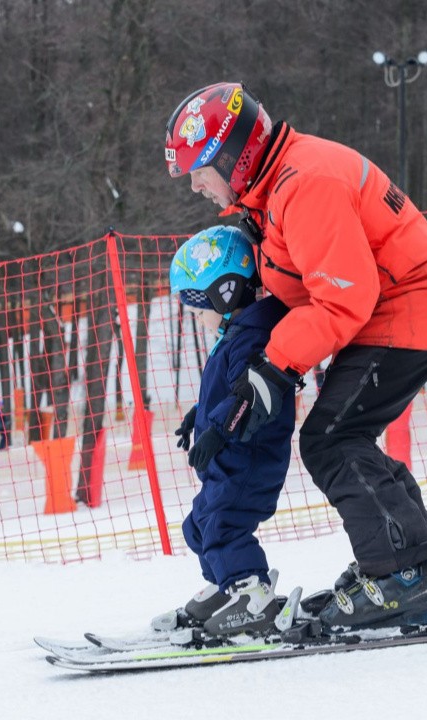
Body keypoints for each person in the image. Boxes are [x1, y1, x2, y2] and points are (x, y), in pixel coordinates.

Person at [164, 83, 427, 631]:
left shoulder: (302, 183)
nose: (195, 185)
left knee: (332, 439)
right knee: (339, 435)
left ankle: (402, 573)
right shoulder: (276, 187)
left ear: (232, 156)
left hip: (408, 306)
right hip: (394, 308)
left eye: (199, 168)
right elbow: (298, 296)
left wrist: (269, 372)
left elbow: (340, 296)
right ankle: (412, 558)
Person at [159, 225, 295, 637]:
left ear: (226, 291)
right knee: (199, 525)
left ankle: (253, 596)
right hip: (228, 461)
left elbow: (249, 396)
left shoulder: (253, 336)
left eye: (200, 307)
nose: (197, 316)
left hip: (248, 461)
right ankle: (229, 586)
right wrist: (198, 416)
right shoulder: (236, 334)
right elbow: (228, 389)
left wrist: (217, 428)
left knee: (223, 524)